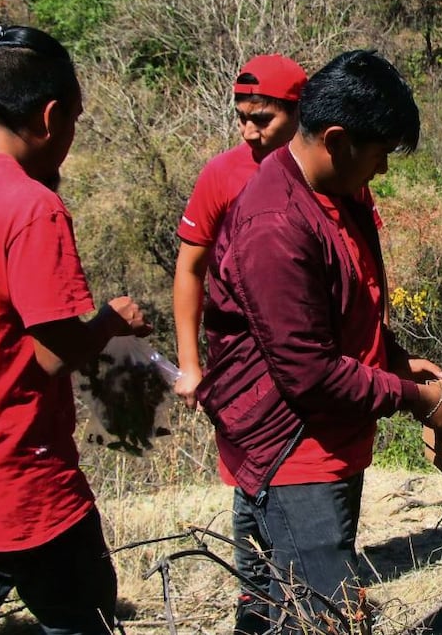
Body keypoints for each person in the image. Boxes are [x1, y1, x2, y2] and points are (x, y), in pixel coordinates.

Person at [196, 49, 442, 633]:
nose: (383, 170)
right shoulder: (276, 223)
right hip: (293, 449)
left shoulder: (336, 192)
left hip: (328, 434)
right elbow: (308, 370)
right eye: (380, 154)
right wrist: (414, 400)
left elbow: (346, 302)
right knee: (319, 616)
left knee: (276, 607)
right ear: (336, 139)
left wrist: (393, 359)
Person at [0, 25, 151, 634]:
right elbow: (55, 354)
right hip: (19, 457)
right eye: (73, 118)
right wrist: (110, 323)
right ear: (49, 116)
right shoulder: (31, 208)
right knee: (85, 605)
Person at [171, 53, 309, 634]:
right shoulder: (221, 174)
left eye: (264, 118)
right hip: (237, 362)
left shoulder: (320, 169)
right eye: (242, 117)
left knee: (302, 472)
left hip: (304, 356)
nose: (249, 131)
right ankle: (254, 608)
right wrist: (189, 363)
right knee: (249, 478)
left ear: (299, 112)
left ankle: (306, 596)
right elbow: (189, 269)